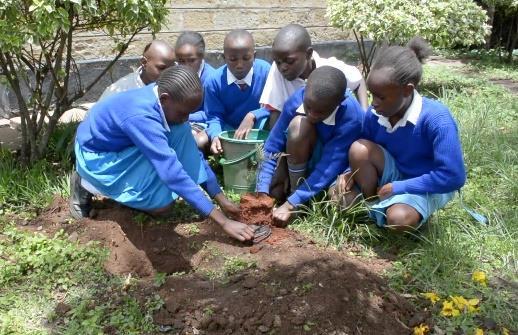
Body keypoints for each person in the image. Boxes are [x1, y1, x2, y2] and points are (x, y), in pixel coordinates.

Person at [70, 65, 254, 242]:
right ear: (164, 99)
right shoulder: (142, 117)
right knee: (162, 208)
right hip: (98, 156)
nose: (186, 119)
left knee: (181, 130)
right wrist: (223, 222)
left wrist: (222, 201)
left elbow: (191, 154)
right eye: (183, 113)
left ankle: (133, 192)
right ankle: (85, 183)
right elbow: (172, 173)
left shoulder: (166, 103)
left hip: (124, 146)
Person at [331, 37, 466, 231]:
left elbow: (453, 177)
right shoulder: (375, 114)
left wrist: (399, 188)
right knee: (339, 193)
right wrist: (349, 173)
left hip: (426, 184)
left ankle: (396, 209)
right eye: (372, 94)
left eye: (381, 97)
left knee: (399, 218)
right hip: (392, 173)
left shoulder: (437, 119)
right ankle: (372, 203)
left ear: (407, 90)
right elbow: (363, 150)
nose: (374, 103)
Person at [256, 66, 364, 226]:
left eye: (321, 112)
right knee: (298, 126)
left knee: (342, 202)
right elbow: (272, 146)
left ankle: (299, 201)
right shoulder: (296, 100)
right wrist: (262, 191)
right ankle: (294, 191)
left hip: (336, 169)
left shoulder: (352, 117)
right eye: (308, 107)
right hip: (303, 155)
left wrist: (291, 204)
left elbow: (328, 167)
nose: (312, 114)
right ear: (305, 89)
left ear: (339, 102)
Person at [260, 24, 369, 128]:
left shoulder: (329, 69)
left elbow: (358, 81)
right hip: (299, 131)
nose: (283, 67)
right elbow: (275, 109)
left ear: (308, 54)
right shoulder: (277, 69)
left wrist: (364, 114)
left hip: (330, 129)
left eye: (289, 61)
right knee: (301, 126)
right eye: (278, 62)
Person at [203, 29, 271, 155]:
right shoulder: (214, 82)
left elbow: (275, 104)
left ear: (254, 56)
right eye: (233, 59)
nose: (240, 65)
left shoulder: (266, 72)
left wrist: (253, 115)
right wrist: (216, 136)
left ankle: (270, 158)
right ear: (224, 58)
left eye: (246, 58)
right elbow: (214, 116)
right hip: (229, 131)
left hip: (259, 128)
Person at [175, 31, 216, 151]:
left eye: (191, 60)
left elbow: (211, 113)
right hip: (182, 121)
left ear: (202, 57)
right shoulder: (175, 75)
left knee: (189, 140)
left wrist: (187, 117)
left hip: (205, 123)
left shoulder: (211, 79)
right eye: (181, 61)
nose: (186, 66)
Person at [98, 40, 176, 101]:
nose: (168, 73)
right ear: (144, 63)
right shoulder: (121, 92)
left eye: (172, 68)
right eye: (162, 68)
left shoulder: (175, 84)